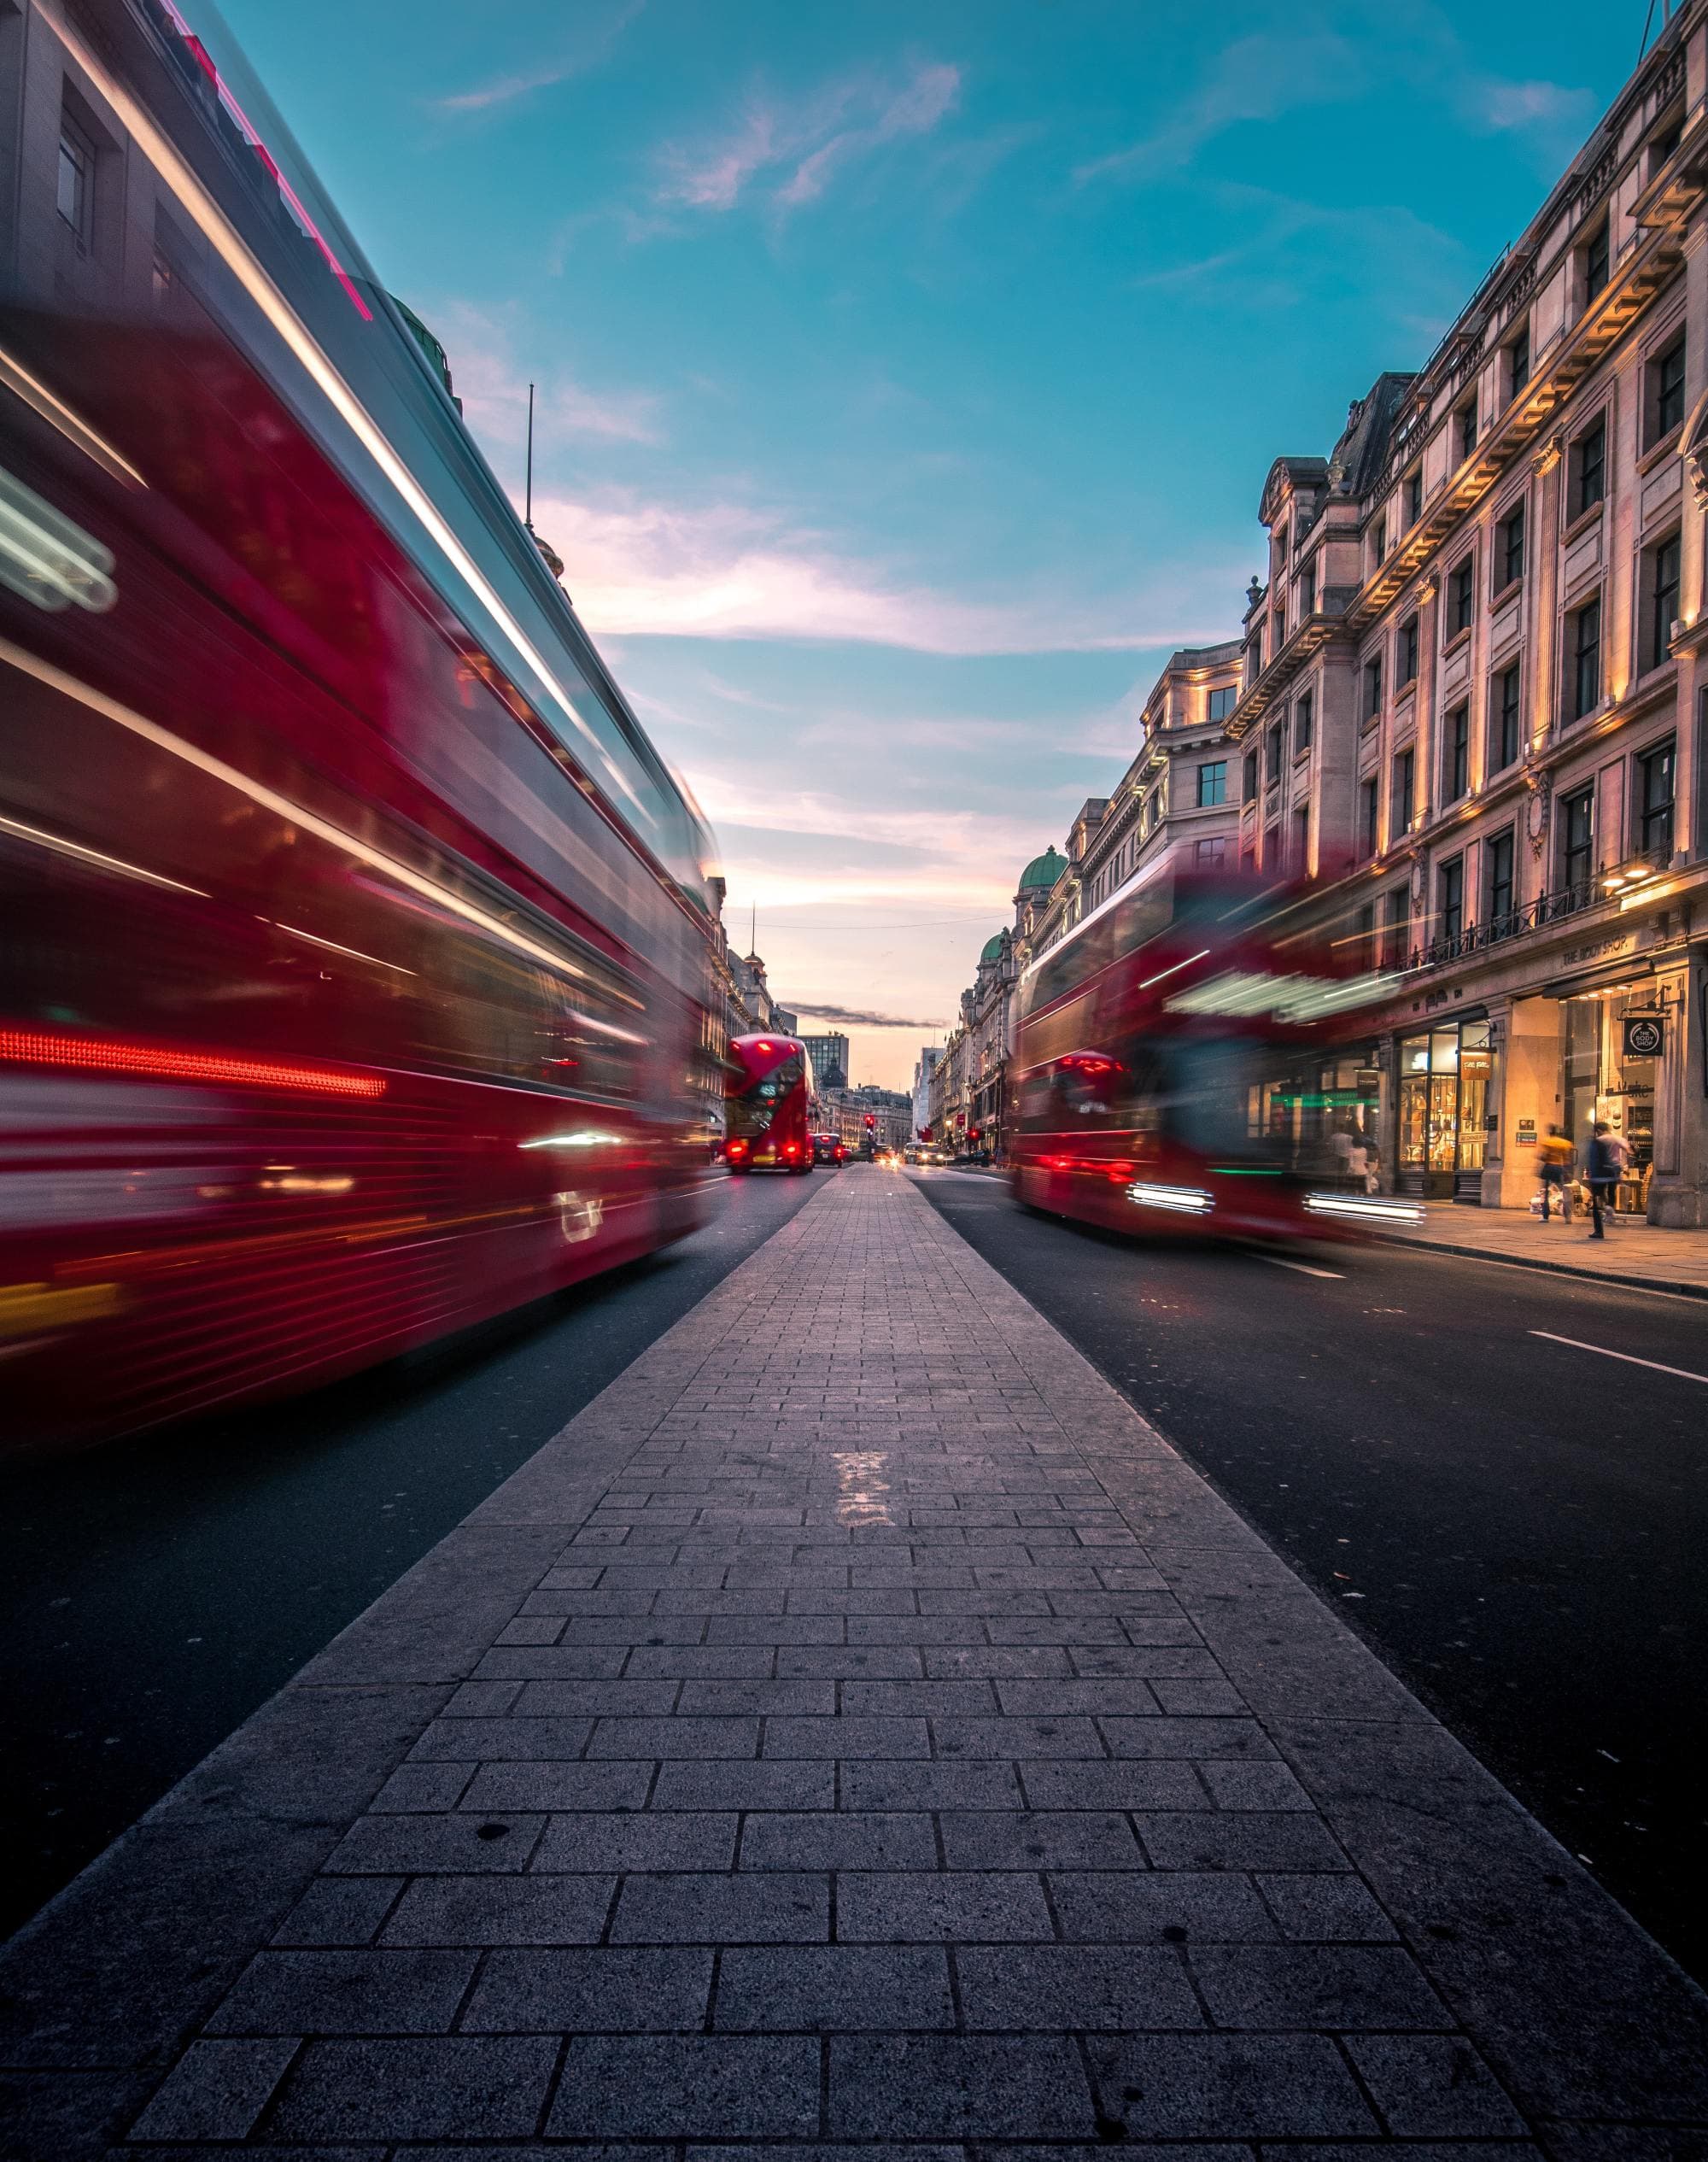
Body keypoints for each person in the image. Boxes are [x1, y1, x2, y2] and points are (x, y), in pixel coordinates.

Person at [1584, 1121, 1623, 1239]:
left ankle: (1599, 1231)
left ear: (1598, 1131)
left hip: (1597, 1176)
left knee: (1596, 1203)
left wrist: (1589, 1173)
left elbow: (1591, 1160)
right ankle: (1609, 1208)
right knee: (1610, 1194)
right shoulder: (1614, 1139)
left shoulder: (1596, 1142)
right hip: (1610, 1172)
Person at [1536, 1124, 1574, 1222]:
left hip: (1549, 1167)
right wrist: (1568, 1171)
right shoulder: (1565, 1143)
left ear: (1550, 1132)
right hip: (1560, 1168)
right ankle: (1568, 1216)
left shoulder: (1547, 1142)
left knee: (1546, 1192)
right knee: (1565, 1191)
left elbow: (1543, 1156)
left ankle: (1545, 1216)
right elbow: (1567, 1158)